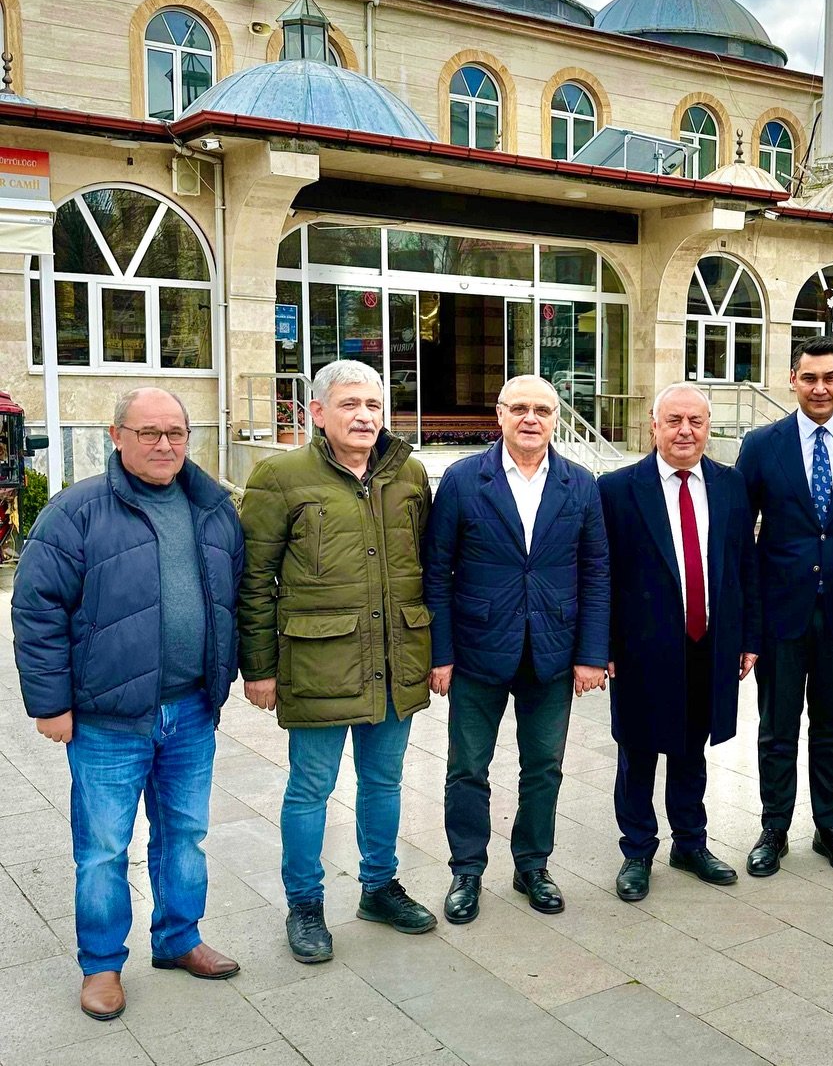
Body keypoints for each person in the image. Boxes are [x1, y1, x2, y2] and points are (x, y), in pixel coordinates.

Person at [13, 388, 244, 1021]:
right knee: (104, 848)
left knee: (185, 835)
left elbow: (234, 598)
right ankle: (101, 965)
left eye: (176, 432)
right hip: (107, 719)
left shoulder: (213, 509)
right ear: (117, 437)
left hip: (190, 710)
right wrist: (50, 704)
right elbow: (36, 610)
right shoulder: (76, 511)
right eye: (148, 433)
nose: (164, 444)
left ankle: (178, 938)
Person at [239, 360, 437, 963]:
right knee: (310, 788)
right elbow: (254, 580)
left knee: (384, 782)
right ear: (318, 413)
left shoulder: (409, 473)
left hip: (394, 659)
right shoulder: (280, 477)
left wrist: (436, 654)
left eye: (374, 405)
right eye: (350, 404)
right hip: (318, 663)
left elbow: (428, 567)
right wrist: (259, 669)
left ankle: (379, 887)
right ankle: (305, 905)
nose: (365, 416)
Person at [423, 375, 609, 920]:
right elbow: (436, 571)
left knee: (544, 766)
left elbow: (596, 573)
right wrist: (440, 653)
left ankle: (533, 865)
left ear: (556, 420)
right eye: (520, 408)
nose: (532, 419)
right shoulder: (463, 480)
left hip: (552, 650)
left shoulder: (581, 484)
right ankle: (466, 871)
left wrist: (591, 654)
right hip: (478, 650)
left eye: (543, 410)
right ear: (500, 415)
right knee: (467, 768)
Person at [736, 336, 833, 877]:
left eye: (830, 377)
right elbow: (740, 535)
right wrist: (748, 617)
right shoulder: (762, 444)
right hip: (780, 612)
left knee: (832, 726)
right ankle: (773, 829)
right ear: (792, 381)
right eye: (809, 378)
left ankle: (831, 827)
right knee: (777, 727)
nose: (820, 388)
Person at [598, 385, 760, 901]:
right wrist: (602, 645)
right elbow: (601, 574)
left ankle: (690, 843)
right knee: (639, 750)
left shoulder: (732, 484)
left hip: (709, 643)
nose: (685, 431)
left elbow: (745, 565)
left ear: (708, 426)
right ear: (654, 425)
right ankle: (637, 850)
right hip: (640, 649)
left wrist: (748, 636)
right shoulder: (617, 489)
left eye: (695, 421)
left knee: (693, 749)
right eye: (673, 421)